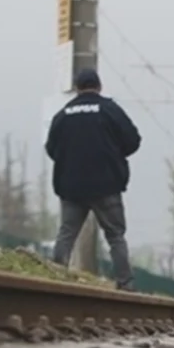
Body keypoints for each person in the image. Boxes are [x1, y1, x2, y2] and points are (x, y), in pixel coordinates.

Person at [45, 68, 142, 290]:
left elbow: (52, 149)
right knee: (115, 236)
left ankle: (55, 278)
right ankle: (125, 282)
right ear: (99, 86)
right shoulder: (110, 110)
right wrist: (114, 155)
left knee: (66, 233)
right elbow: (133, 140)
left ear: (77, 89)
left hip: (71, 187)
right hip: (106, 185)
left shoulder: (62, 115)